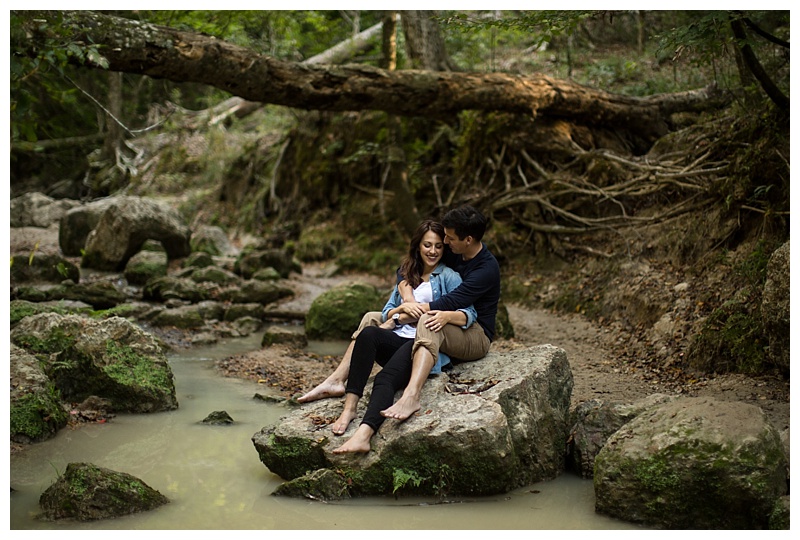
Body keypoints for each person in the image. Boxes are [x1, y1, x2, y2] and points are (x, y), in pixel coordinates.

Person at [298, 220, 477, 452]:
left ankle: (364, 434)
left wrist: (438, 314)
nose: (432, 251)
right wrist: (402, 309)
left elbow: (469, 314)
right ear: (417, 246)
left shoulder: (449, 276)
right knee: (368, 334)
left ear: (444, 249)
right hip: (397, 337)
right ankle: (349, 408)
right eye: (427, 245)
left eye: (438, 246)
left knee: (384, 379)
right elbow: (386, 312)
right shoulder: (407, 276)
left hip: (420, 345)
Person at [380, 204, 500, 422]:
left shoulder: (486, 269)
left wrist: (402, 315)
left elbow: (450, 302)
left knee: (428, 320)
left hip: (474, 332)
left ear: (468, 240)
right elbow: (407, 267)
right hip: (448, 324)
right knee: (372, 317)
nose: (444, 243)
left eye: (450, 238)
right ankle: (338, 379)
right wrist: (406, 296)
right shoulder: (455, 252)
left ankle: (411, 395)